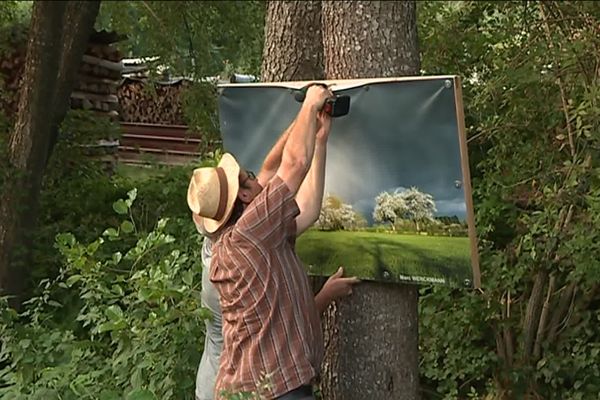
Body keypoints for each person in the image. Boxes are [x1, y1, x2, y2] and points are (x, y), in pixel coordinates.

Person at [188, 85, 359, 399]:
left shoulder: (244, 237)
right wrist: (310, 102)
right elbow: (292, 165)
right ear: (243, 196)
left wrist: (318, 139)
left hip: (257, 386)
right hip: (271, 390)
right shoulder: (251, 234)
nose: (258, 179)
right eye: (248, 176)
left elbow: (305, 208)